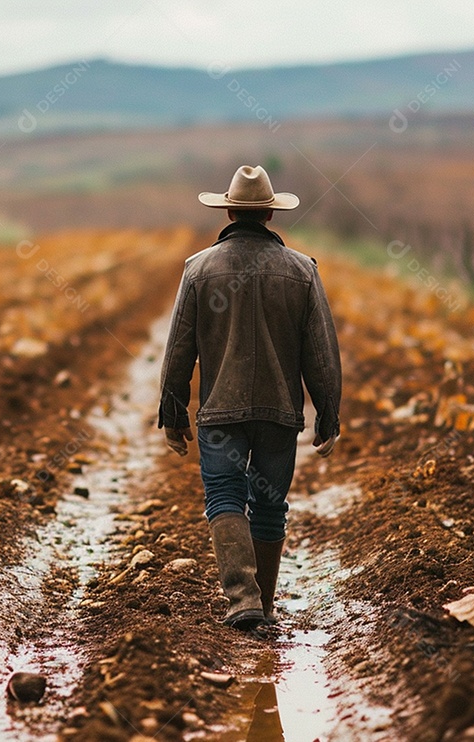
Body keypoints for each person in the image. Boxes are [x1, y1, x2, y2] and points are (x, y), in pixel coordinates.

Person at [158, 164, 342, 632]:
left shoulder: (199, 269)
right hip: (281, 412)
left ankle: (243, 600)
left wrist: (173, 411)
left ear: (229, 210)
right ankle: (266, 604)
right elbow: (320, 351)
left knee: (224, 494)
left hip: (221, 410)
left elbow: (180, 346)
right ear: (269, 216)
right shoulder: (302, 270)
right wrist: (328, 412)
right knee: (269, 505)